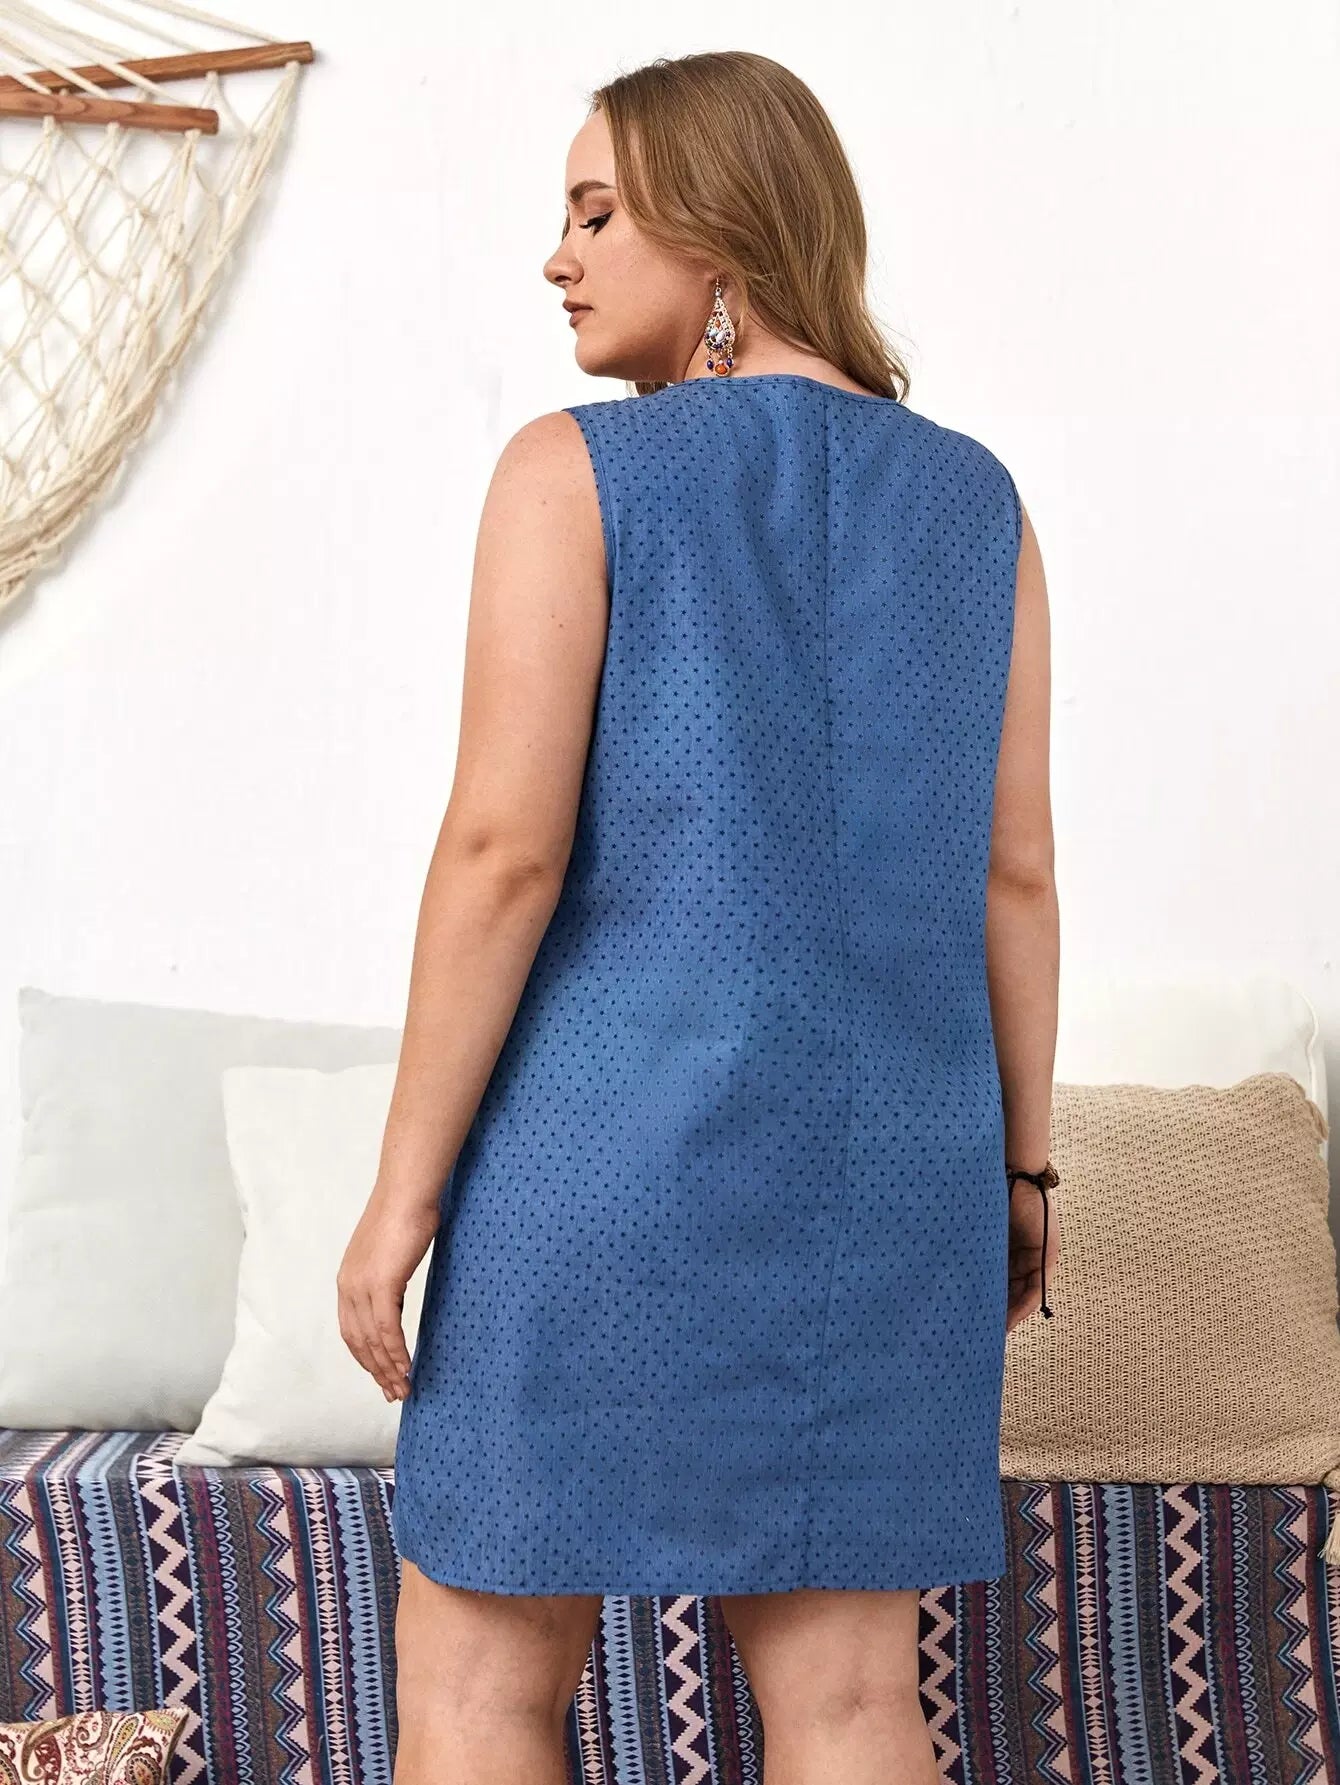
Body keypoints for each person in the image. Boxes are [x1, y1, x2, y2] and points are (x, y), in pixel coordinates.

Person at [337, 47, 1060, 1785]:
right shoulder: (978, 503)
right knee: (851, 1701)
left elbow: (502, 853)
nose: (558, 257)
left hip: (609, 1163)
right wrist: (1024, 1175)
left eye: (596, 213)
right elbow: (1013, 874)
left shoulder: (575, 470)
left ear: (721, 231)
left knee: (478, 1682)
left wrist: (403, 1190)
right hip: (892, 1180)